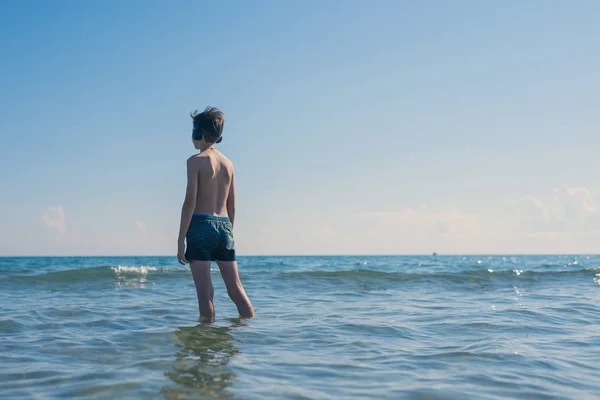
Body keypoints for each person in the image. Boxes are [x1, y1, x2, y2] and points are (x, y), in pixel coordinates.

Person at [177, 106, 254, 322]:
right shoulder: (228, 164)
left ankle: (204, 347)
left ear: (197, 133)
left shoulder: (195, 161)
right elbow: (232, 205)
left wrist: (181, 238)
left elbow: (190, 201)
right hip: (225, 226)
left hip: (200, 226)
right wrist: (227, 233)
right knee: (235, 288)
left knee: (205, 293)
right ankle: (251, 333)